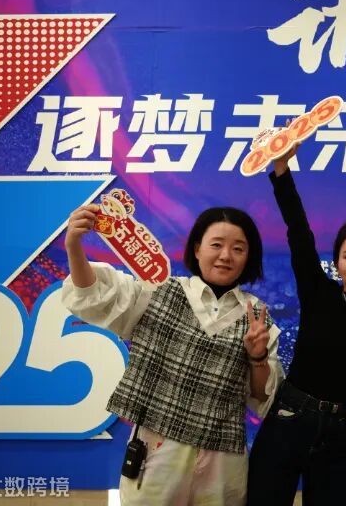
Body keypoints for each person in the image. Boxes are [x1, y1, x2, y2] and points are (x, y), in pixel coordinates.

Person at [62, 200, 280, 506]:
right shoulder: (156, 291)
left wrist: (257, 358)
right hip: (157, 450)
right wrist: (73, 245)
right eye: (216, 244)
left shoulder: (258, 316)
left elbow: (263, 398)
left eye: (238, 249)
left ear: (249, 257)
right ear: (197, 249)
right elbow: (95, 295)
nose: (226, 255)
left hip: (222, 462)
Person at [247, 145, 346, 506]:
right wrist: (282, 168)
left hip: (341, 436)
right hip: (289, 419)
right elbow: (298, 231)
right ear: (337, 264)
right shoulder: (319, 293)